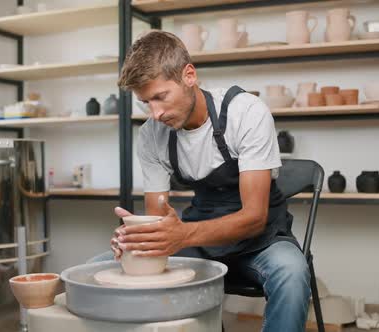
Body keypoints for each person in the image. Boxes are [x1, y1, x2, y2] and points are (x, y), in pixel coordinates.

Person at [88, 30, 310, 332]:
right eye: (145, 102)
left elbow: (254, 218)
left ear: (189, 76)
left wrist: (181, 236)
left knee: (293, 273)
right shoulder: (152, 135)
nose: (155, 113)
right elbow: (156, 217)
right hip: (198, 239)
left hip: (260, 241)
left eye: (160, 97)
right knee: (94, 268)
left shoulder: (245, 113)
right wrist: (136, 238)